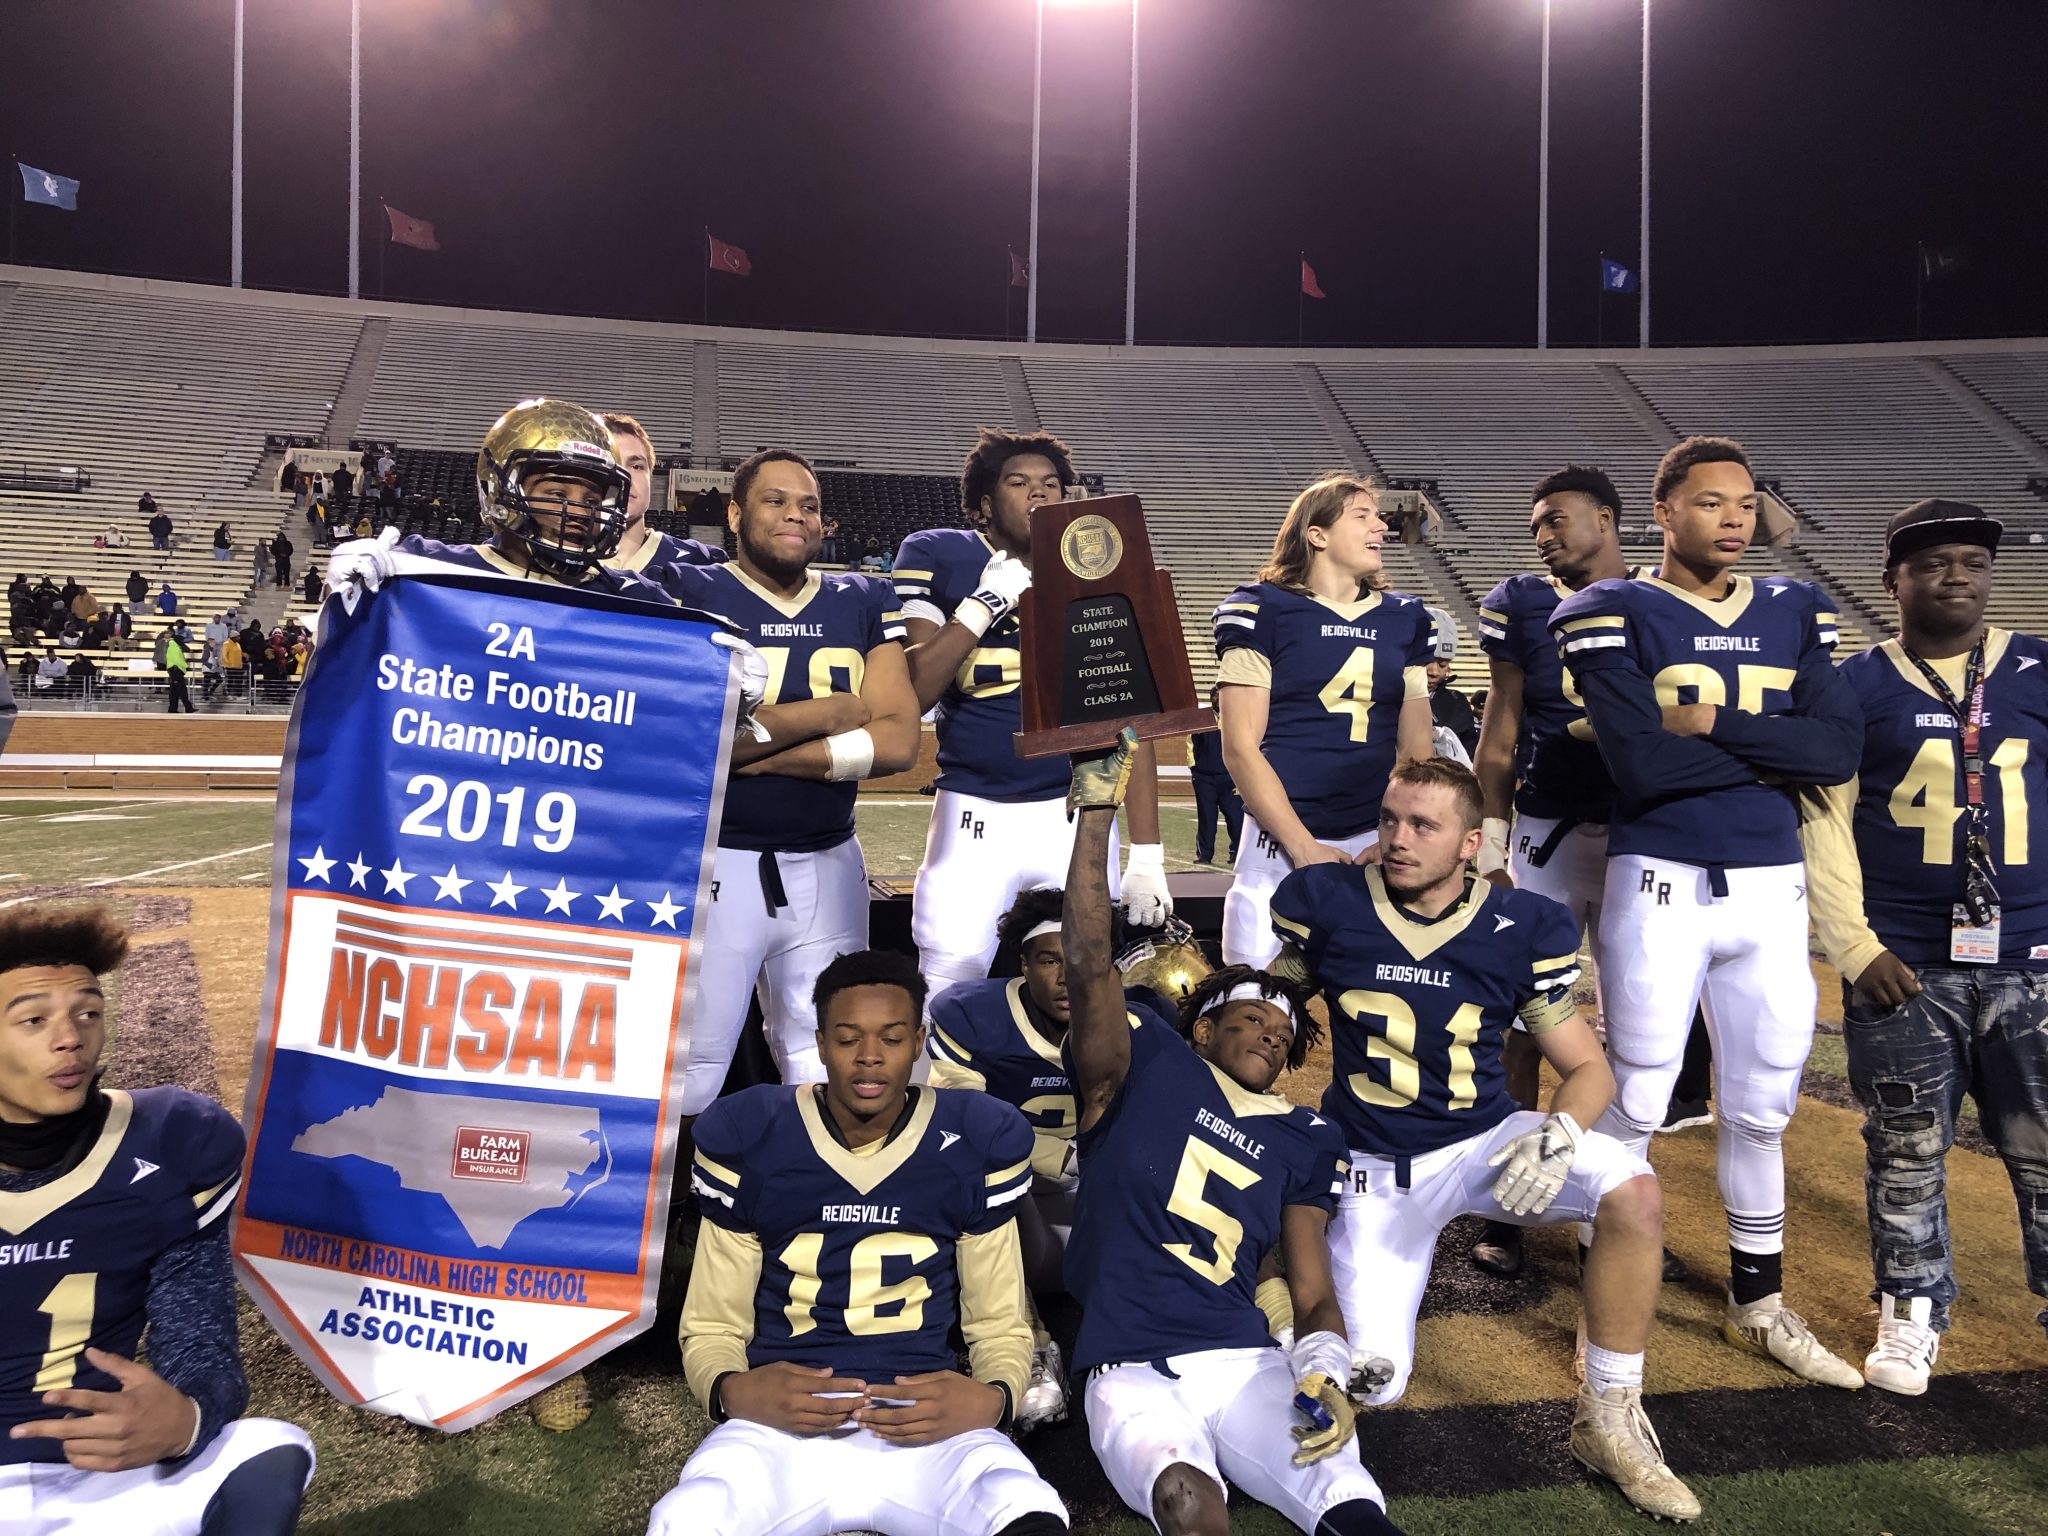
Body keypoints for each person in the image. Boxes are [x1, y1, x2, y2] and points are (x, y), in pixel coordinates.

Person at [1270, 757, 1698, 1521]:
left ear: (1471, 844)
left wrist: (1560, 1131)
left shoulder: (1519, 926)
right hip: (1373, 1166)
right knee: (1373, 1380)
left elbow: (1588, 1068)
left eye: (1422, 825)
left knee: (1630, 1189)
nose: (1398, 839)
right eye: (1390, 819)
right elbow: (1262, 1010)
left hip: (1483, 1144)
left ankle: (1608, 1415)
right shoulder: (1331, 903)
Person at [1550, 435, 1865, 1388]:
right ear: (1663, 511)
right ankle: (1602, 1291)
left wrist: (1714, 723)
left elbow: (1837, 751)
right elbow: (1642, 766)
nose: (1732, 519)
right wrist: (1773, 749)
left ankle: (1757, 1305)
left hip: (1772, 891)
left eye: (1745, 504)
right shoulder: (1610, 607)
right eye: (1709, 502)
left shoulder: (1795, 608)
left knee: (1763, 1110)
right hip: (1662, 884)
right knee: (1640, 1095)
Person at [1059, 731, 1401, 1536]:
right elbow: (1086, 960)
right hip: (1130, 1361)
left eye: (1283, 1034)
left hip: (1244, 1359)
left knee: (1345, 1494)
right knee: (1185, 1497)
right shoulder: (1144, 1059)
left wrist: (1324, 1367)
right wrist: (1097, 819)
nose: (1272, 1035)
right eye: (1251, 1019)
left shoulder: (1306, 1134)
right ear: (1203, 1030)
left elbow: (1311, 1289)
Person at [651, 950, 1068, 1536]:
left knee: (1023, 1507)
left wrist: (995, 1398)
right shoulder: (756, 1135)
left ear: (918, 1042)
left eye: (891, 1039)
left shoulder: (973, 1139)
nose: (869, 1056)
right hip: (781, 1429)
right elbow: (713, 1325)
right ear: (820, 1043)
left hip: (924, 1424)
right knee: (688, 1517)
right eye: (848, 1039)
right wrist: (732, 1391)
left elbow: (999, 1324)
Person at [1800, 499, 2048, 1394]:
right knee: (1905, 1147)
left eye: (1974, 562)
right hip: (1905, 962)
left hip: (2034, 959)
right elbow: (1824, 821)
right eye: (1935, 562)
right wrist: (1854, 945)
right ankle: (1910, 1311)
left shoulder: (2038, 669)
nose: (1957, 576)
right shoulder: (1853, 685)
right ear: (1892, 580)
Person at [0, 905, 315, 1534]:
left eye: (88, 1012)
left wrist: (185, 1420)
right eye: (34, 1020)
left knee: (267, 1450)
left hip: (95, 1473)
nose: (70, 1038)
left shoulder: (172, 1141)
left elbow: (198, 1342)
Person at [664, 449, 920, 1116]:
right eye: (775, 501)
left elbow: (898, 743)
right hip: (716, 863)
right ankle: (683, 1187)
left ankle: (805, 1184)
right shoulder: (688, 590)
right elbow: (684, 741)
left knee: (822, 1064)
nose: (795, 515)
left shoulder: (861, 597)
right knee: (692, 1069)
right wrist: (833, 712)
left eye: (808, 505)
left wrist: (755, 753)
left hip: (829, 861)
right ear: (734, 514)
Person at [893, 427, 1171, 1016]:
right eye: (1018, 483)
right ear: (984, 504)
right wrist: (984, 603)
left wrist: (1147, 855)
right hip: (973, 811)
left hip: (1074, 814)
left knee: (1084, 984)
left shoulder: (1095, 565)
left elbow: (1130, 718)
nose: (1038, 493)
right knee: (949, 979)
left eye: (1051, 484)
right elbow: (914, 691)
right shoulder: (941, 554)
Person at [1467, 465, 1646, 1276]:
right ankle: (1505, 1205)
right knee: (1521, 1017)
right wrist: (1491, 841)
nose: (1543, 534)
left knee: (1637, 1024)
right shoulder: (1519, 603)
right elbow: (1500, 728)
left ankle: (1606, 1202)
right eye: (1536, 523)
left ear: (1606, 518)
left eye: (1557, 519)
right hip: (1545, 831)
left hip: (1641, 835)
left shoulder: (1656, 599)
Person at [1213, 474, 1434, 968]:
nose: (1381, 525)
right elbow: (1240, 747)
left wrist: (1396, 837)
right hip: (1277, 841)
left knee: (1377, 994)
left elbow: (1416, 751)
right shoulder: (1262, 608)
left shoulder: (1405, 618)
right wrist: (1302, 845)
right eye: (1362, 515)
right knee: (1251, 994)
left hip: (1371, 838)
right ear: (1317, 534)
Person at [596, 410, 727, 579]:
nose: (624, 478)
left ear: (650, 476)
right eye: (610, 465)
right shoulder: (564, 558)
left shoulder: (701, 562)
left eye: (636, 467)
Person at [1188, 687, 1243, 865]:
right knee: (1207, 818)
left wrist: (1241, 775)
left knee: (1235, 817)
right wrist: (1194, 769)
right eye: (1215, 697)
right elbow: (1190, 743)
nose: (1218, 700)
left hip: (1230, 778)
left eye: (1220, 697)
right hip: (1204, 778)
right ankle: (1204, 855)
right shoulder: (1201, 719)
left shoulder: (1236, 718)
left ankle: (1236, 853)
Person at [1423, 606, 1477, 762]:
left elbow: (1469, 754)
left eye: (1443, 664)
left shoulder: (1457, 703)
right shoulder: (1386, 698)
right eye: (1427, 661)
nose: (1434, 671)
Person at [163, 628, 194, 714]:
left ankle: (173, 708)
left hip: (174, 670)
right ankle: (188, 708)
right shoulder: (175, 648)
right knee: (182, 690)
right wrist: (186, 666)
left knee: (174, 692)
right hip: (176, 670)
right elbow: (178, 660)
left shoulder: (174, 647)